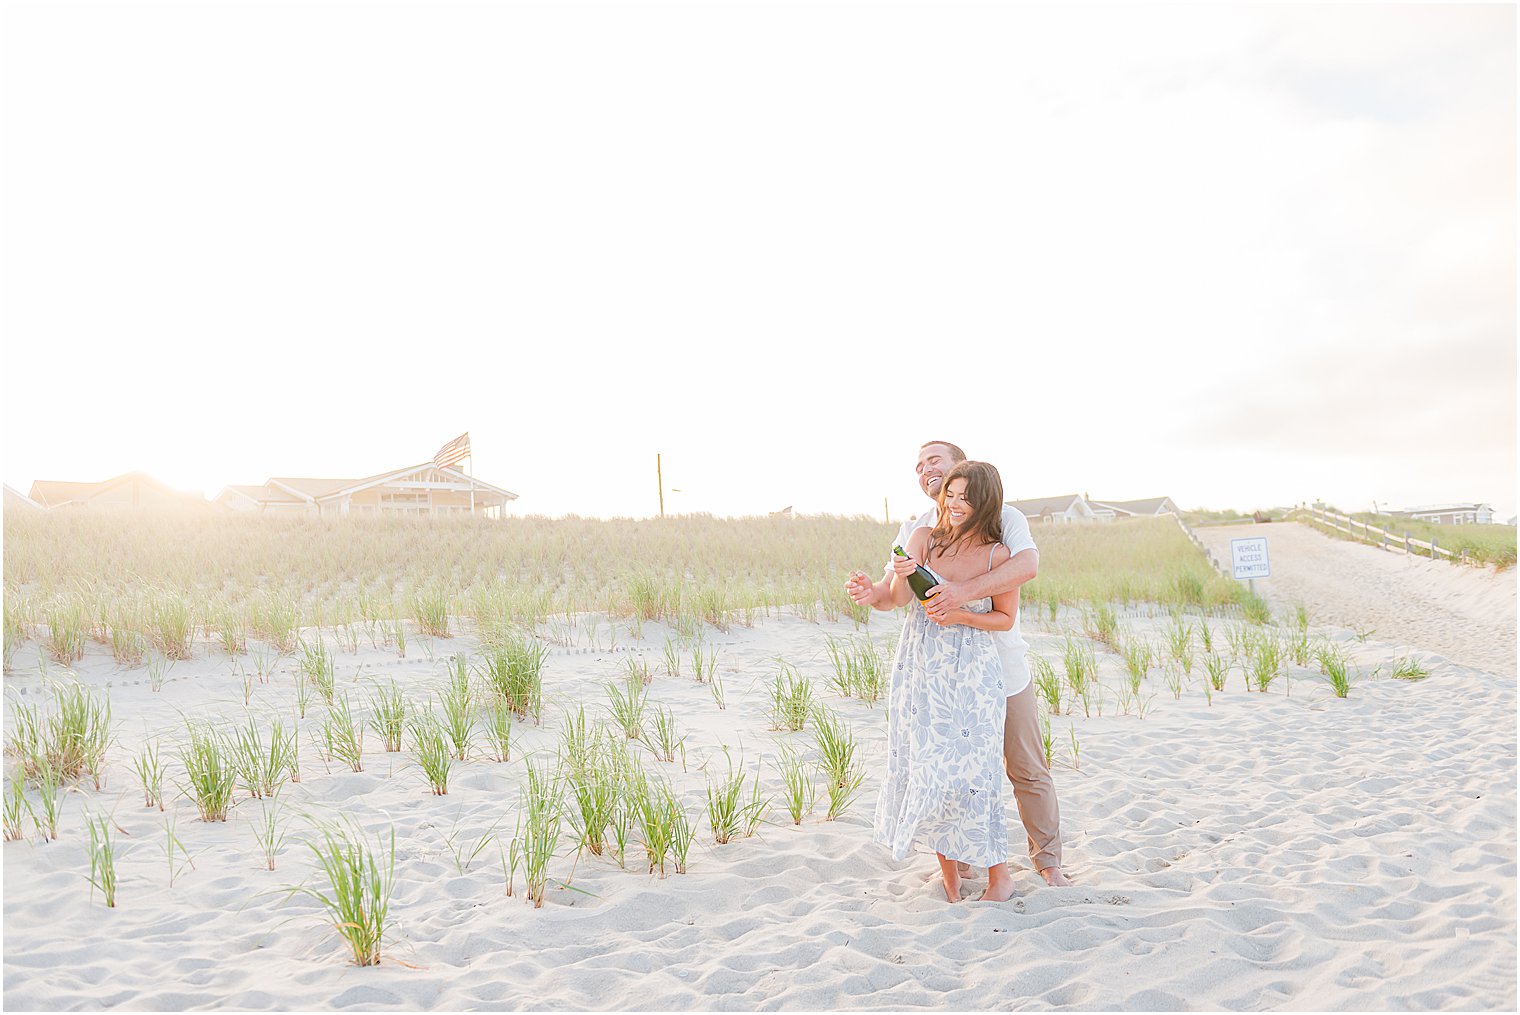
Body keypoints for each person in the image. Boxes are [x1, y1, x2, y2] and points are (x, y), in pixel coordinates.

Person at [847, 440, 1072, 888]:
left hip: (1001, 668)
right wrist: (873, 593)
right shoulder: (916, 530)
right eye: (918, 465)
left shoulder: (1004, 519)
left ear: (959, 467)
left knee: (1024, 768)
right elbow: (896, 594)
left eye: (935, 461)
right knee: (947, 769)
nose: (926, 470)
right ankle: (960, 863)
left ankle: (1048, 863)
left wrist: (960, 597)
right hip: (938, 678)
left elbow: (1027, 566)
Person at [871, 460, 1018, 902]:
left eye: (965, 498)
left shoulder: (998, 554)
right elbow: (898, 598)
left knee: (977, 772)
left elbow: (1005, 619)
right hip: (921, 664)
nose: (954, 505)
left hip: (973, 669)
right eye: (949, 496)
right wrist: (888, 581)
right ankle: (950, 876)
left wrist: (959, 614)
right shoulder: (923, 539)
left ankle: (999, 876)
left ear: (984, 502)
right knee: (929, 768)